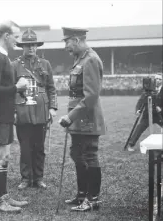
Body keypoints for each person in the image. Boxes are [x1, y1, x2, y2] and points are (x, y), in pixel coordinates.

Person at [58, 27, 106, 212]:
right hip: (78, 119)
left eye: (67, 42)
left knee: (89, 156)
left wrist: (70, 117)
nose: (66, 46)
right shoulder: (80, 59)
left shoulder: (91, 60)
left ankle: (92, 199)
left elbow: (91, 96)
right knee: (78, 155)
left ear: (77, 40)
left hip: (87, 119)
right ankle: (81, 195)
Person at [0, 20, 29, 213]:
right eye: (16, 37)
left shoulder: (3, 58)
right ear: (6, 36)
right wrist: (16, 87)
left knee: (5, 157)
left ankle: (3, 196)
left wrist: (17, 90)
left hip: (5, 116)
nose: (17, 41)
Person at [12, 28, 57, 190]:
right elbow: (11, 90)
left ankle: (38, 178)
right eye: (27, 45)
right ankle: (25, 178)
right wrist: (13, 112)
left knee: (39, 147)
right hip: (23, 110)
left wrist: (52, 108)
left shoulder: (45, 64)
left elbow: (51, 88)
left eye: (34, 45)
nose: (31, 48)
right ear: (22, 46)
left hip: (41, 110)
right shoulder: (15, 65)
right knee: (25, 147)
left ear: (37, 46)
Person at [127, 73, 163, 151]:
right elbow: (140, 101)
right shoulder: (148, 89)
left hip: (160, 115)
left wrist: (161, 109)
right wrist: (138, 110)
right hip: (147, 114)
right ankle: (130, 144)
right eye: (156, 78)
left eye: (160, 79)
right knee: (139, 128)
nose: (158, 80)